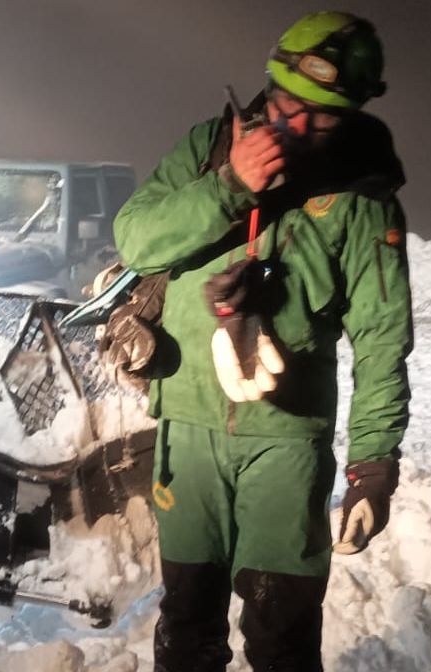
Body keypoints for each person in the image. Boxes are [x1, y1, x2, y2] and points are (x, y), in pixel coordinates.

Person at [111, 11, 413, 671]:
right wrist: (230, 185)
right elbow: (136, 239)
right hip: (189, 432)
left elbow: (382, 340)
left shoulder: (362, 200)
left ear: (355, 113)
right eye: (286, 105)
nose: (298, 126)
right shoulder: (208, 149)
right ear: (268, 85)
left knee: (282, 636)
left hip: (288, 441)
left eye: (324, 117)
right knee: (187, 625)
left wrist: (373, 465)